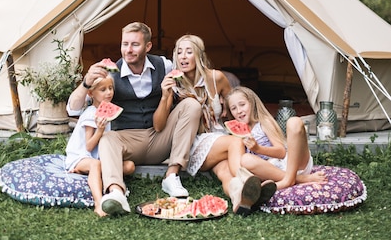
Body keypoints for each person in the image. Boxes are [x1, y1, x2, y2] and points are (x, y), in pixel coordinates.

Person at [67, 22, 203, 216]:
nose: (128, 50)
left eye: (134, 45)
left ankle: (171, 175)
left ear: (147, 47)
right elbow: (73, 108)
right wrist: (86, 82)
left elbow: (193, 80)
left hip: (160, 136)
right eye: (125, 44)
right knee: (107, 138)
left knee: (192, 105)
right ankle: (116, 192)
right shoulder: (111, 74)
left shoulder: (164, 65)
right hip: (127, 142)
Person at [158, 34, 276, 215]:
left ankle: (240, 200)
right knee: (234, 143)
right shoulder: (173, 83)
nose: (182, 56)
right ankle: (250, 181)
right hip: (193, 143)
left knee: (224, 172)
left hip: (219, 139)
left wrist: (247, 124)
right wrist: (165, 95)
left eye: (189, 51)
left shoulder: (217, 78)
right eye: (179, 52)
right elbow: (159, 124)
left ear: (199, 55)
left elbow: (234, 104)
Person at [225, 86, 327, 189]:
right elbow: (240, 167)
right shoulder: (236, 135)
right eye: (233, 108)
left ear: (252, 103)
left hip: (293, 164)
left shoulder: (264, 123)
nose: (239, 111)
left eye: (242, 105)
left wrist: (258, 149)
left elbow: (281, 152)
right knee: (245, 160)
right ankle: (297, 179)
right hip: (269, 173)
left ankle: (291, 180)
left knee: (294, 122)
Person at [65, 75, 135, 217]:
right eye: (103, 90)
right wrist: (101, 130)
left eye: (110, 88)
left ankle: (91, 176)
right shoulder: (91, 114)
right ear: (91, 94)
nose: (108, 92)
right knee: (95, 165)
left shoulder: (105, 110)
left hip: (95, 158)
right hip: (81, 156)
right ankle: (98, 203)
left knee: (130, 166)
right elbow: (89, 146)